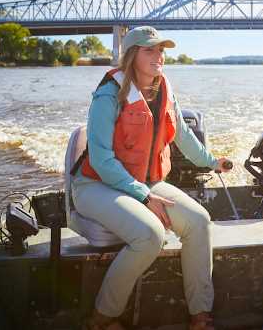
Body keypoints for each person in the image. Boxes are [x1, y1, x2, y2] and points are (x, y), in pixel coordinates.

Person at [73, 26, 231, 330]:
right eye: (150, 50)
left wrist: (214, 163)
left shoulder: (165, 91)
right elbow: (103, 161)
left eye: (161, 50)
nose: (158, 56)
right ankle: (101, 318)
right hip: (96, 185)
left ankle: (200, 316)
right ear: (132, 56)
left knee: (199, 221)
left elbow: (183, 137)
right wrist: (145, 197)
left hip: (145, 183)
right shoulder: (108, 95)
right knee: (150, 236)